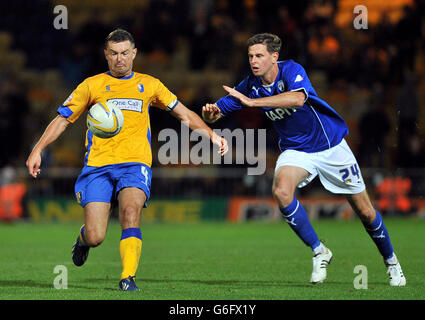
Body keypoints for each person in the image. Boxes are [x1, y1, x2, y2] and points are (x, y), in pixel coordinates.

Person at [26, 29, 228, 291]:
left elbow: (184, 114)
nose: (119, 59)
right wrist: (38, 149)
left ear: (134, 54)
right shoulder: (92, 85)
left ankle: (127, 277)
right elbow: (63, 119)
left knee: (131, 212)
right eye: (113, 54)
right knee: (96, 236)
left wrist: (211, 135)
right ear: (106, 55)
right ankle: (83, 239)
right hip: (98, 166)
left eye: (124, 53)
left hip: (135, 163)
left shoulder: (150, 85)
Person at [202, 33, 406, 286]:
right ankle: (320, 250)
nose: (253, 61)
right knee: (281, 191)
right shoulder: (249, 86)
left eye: (259, 56)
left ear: (274, 57)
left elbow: (299, 98)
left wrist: (254, 103)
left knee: (365, 211)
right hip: (296, 151)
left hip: (330, 146)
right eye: (250, 56)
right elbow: (218, 112)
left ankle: (391, 262)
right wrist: (210, 113)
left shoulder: (291, 70)